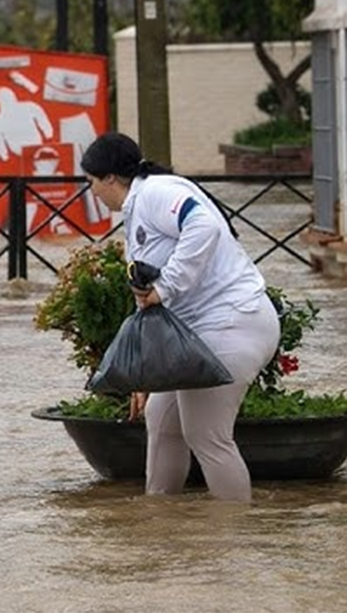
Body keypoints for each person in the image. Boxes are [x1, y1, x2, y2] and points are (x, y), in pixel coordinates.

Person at [80, 132, 279, 502]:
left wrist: (166, 285)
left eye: (90, 182)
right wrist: (146, 371)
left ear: (110, 178)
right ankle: (162, 522)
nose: (90, 191)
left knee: (207, 435)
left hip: (232, 323)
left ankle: (236, 539)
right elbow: (149, 299)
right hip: (197, 333)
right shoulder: (138, 207)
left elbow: (202, 225)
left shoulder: (155, 192)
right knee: (162, 419)